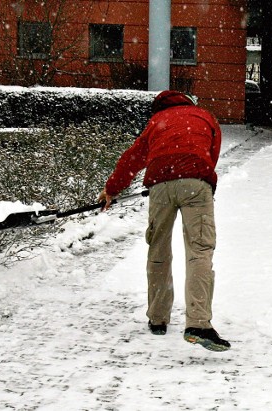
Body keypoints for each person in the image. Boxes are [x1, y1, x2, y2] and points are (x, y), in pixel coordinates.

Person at [98, 90, 230, 351]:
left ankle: (157, 318)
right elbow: (211, 156)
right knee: (199, 252)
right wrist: (197, 177)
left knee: (158, 248)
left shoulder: (156, 122)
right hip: (196, 183)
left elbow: (132, 158)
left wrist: (112, 190)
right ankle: (198, 323)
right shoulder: (205, 117)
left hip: (160, 185)